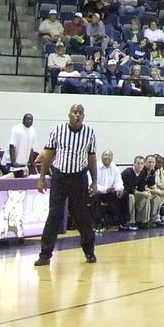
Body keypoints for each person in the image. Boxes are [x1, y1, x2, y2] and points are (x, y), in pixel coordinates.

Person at [34, 103, 98, 266]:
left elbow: (91, 158)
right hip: (60, 176)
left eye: (80, 113)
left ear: (84, 116)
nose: (77, 115)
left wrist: (94, 181)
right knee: (54, 215)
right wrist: (42, 178)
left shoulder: (89, 133)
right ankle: (45, 255)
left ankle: (89, 252)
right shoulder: (58, 130)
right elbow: (48, 155)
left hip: (79, 177)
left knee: (82, 216)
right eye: (74, 112)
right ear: (69, 115)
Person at [95, 150, 127, 229]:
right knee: (95, 196)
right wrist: (106, 189)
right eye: (106, 155)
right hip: (97, 192)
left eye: (110, 156)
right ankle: (98, 223)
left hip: (110, 193)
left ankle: (123, 222)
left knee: (125, 194)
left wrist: (119, 189)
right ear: (101, 156)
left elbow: (118, 182)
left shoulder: (114, 168)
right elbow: (91, 184)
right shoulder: (95, 166)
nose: (108, 157)